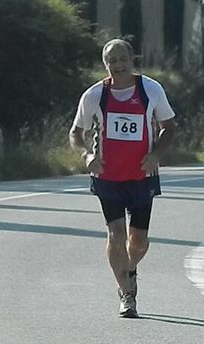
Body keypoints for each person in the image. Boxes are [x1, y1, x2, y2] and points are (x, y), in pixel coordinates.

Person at [69, 39, 176, 318]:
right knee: (116, 235)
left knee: (137, 241)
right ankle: (127, 294)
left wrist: (156, 154)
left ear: (132, 60)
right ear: (105, 65)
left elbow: (169, 127)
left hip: (142, 175)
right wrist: (86, 157)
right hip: (108, 176)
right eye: (112, 61)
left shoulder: (150, 89)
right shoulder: (94, 95)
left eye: (122, 59)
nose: (118, 66)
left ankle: (129, 269)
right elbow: (76, 133)